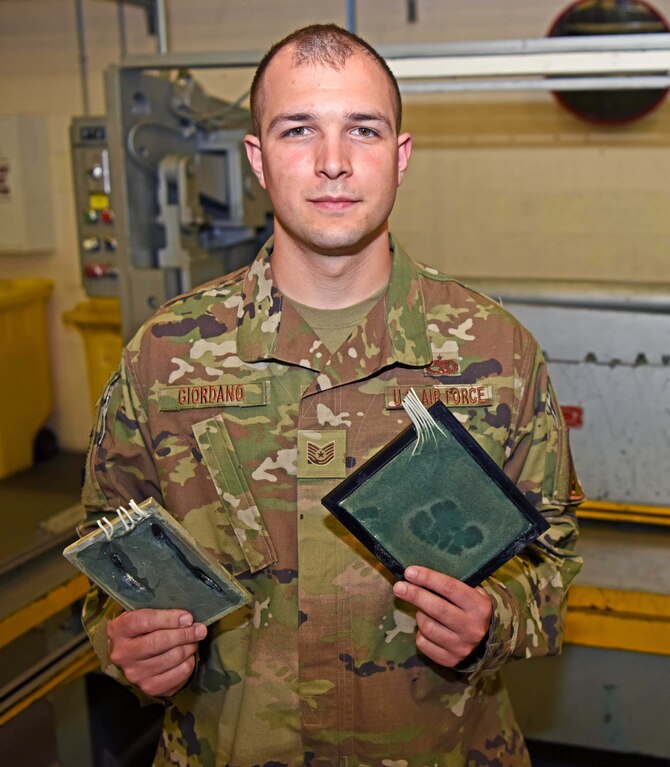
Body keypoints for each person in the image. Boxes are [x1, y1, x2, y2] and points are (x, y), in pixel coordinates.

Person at [80, 23, 582, 766]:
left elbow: (553, 557)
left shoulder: (492, 351)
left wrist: (495, 618)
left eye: (364, 130)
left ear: (400, 156)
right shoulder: (164, 357)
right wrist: (126, 643)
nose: (334, 163)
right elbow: (108, 564)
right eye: (297, 130)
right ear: (257, 159)